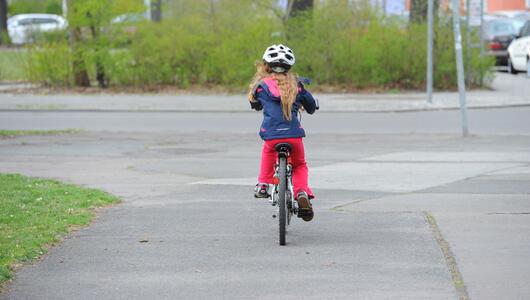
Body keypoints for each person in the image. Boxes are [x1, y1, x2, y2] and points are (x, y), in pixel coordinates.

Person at [248, 44, 318, 222]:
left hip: (271, 135)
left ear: (267, 66)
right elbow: (310, 106)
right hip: (294, 136)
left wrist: (257, 104)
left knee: (268, 151)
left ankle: (263, 184)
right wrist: (309, 105)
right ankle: (301, 192)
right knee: (300, 165)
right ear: (289, 67)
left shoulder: (262, 86)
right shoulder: (297, 86)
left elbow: (254, 102)